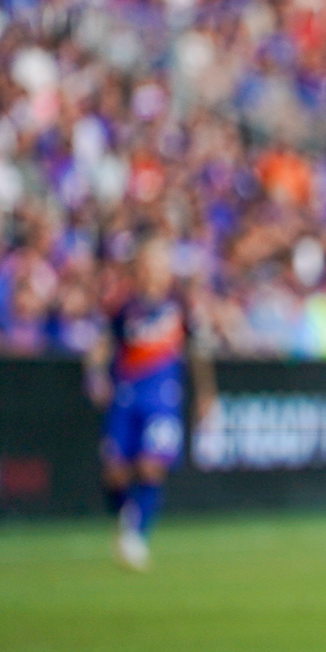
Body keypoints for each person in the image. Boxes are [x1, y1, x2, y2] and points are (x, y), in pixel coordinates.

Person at [85, 237, 215, 572]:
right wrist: (95, 374)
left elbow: (198, 350)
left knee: (150, 465)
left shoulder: (179, 305)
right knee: (115, 473)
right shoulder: (124, 305)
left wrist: (205, 393)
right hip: (126, 396)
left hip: (163, 398)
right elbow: (102, 344)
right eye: (147, 263)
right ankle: (127, 516)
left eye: (158, 263)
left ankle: (136, 536)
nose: (152, 270)